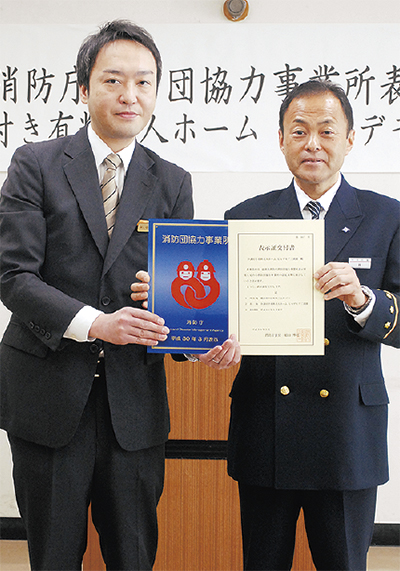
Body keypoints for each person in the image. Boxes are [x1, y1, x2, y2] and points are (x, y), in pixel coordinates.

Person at [0, 20, 239, 571]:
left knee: (133, 555)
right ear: (84, 88)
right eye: (113, 80)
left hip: (134, 402)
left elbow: (180, 288)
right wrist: (95, 323)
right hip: (48, 395)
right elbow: (14, 277)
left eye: (144, 82)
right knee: (54, 556)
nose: (130, 95)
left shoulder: (172, 180)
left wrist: (197, 338)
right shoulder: (36, 163)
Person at [224, 80, 399, 571]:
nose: (313, 144)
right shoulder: (244, 218)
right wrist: (205, 335)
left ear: (350, 139)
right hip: (267, 427)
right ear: (281, 140)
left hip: (346, 433)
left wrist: (363, 300)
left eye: (326, 130)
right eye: (299, 131)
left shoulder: (386, 216)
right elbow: (221, 312)